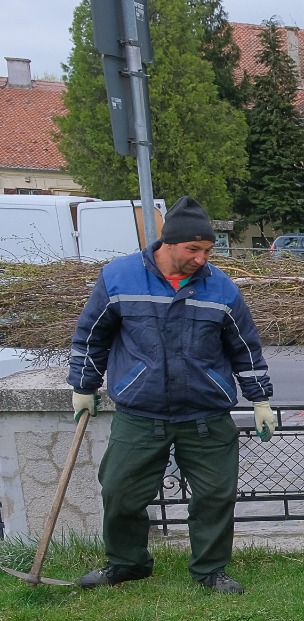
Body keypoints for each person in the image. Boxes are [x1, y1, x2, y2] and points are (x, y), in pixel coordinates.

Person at [67, 196, 273, 595]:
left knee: (215, 496)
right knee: (120, 491)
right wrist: (83, 386)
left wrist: (260, 399)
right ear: (167, 243)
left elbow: (245, 348)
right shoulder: (119, 277)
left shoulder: (222, 288)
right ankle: (127, 563)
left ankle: (211, 570)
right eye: (193, 249)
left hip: (206, 414)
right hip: (140, 412)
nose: (202, 258)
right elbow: (91, 337)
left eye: (208, 250)